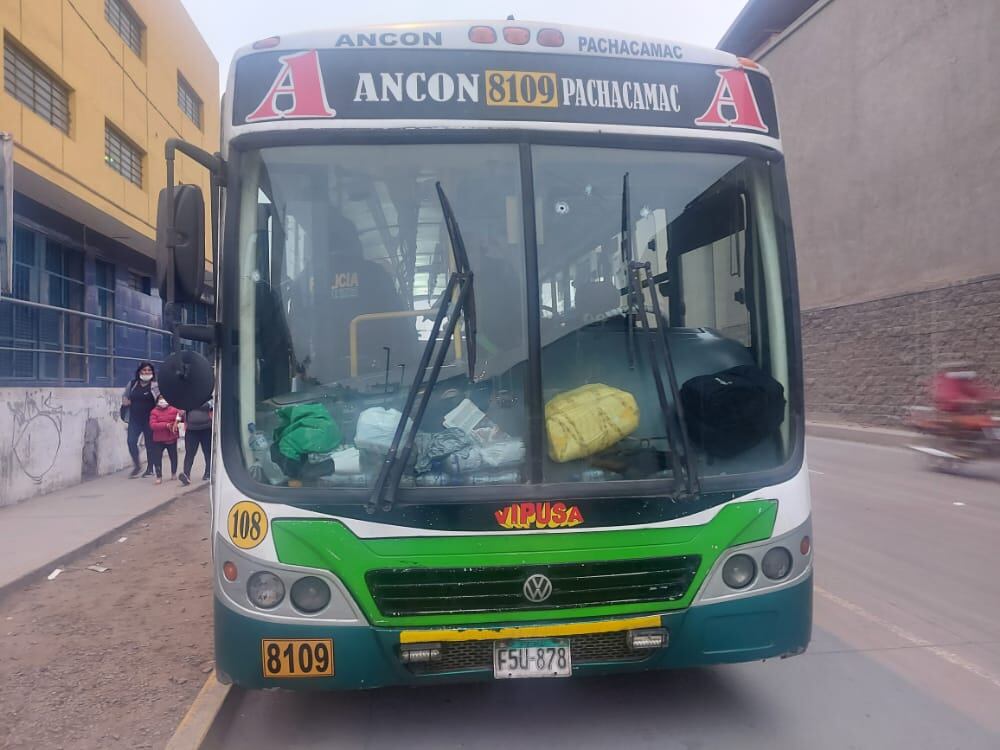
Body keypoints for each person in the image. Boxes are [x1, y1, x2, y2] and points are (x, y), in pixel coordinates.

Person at [122, 362, 159, 478]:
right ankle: (137, 465)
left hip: (150, 419)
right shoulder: (132, 384)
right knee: (131, 441)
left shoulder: (155, 386)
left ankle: (150, 468)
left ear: (152, 373)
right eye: (144, 370)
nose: (146, 372)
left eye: (149, 370)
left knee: (150, 444)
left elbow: (161, 400)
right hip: (135, 419)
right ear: (139, 372)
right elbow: (125, 395)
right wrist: (125, 401)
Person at [931, 363, 999, 414]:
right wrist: (974, 401)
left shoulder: (965, 381)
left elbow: (977, 392)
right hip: (952, 415)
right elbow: (952, 397)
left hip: (967, 413)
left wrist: (993, 397)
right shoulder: (946, 381)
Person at [179, 398, 213, 485]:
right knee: (189, 453)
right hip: (191, 429)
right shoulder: (189, 396)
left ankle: (208, 472)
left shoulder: (207, 395)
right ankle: (186, 475)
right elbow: (182, 409)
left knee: (208, 452)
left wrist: (192, 404)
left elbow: (208, 406)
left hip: (206, 429)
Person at [148, 396, 181, 484]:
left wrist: (178, 423)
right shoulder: (154, 412)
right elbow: (153, 425)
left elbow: (180, 419)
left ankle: (173, 473)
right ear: (157, 401)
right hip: (158, 439)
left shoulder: (174, 410)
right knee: (157, 458)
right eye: (160, 399)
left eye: (164, 398)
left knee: (173, 456)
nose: (163, 401)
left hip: (171, 438)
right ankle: (159, 476)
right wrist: (166, 425)